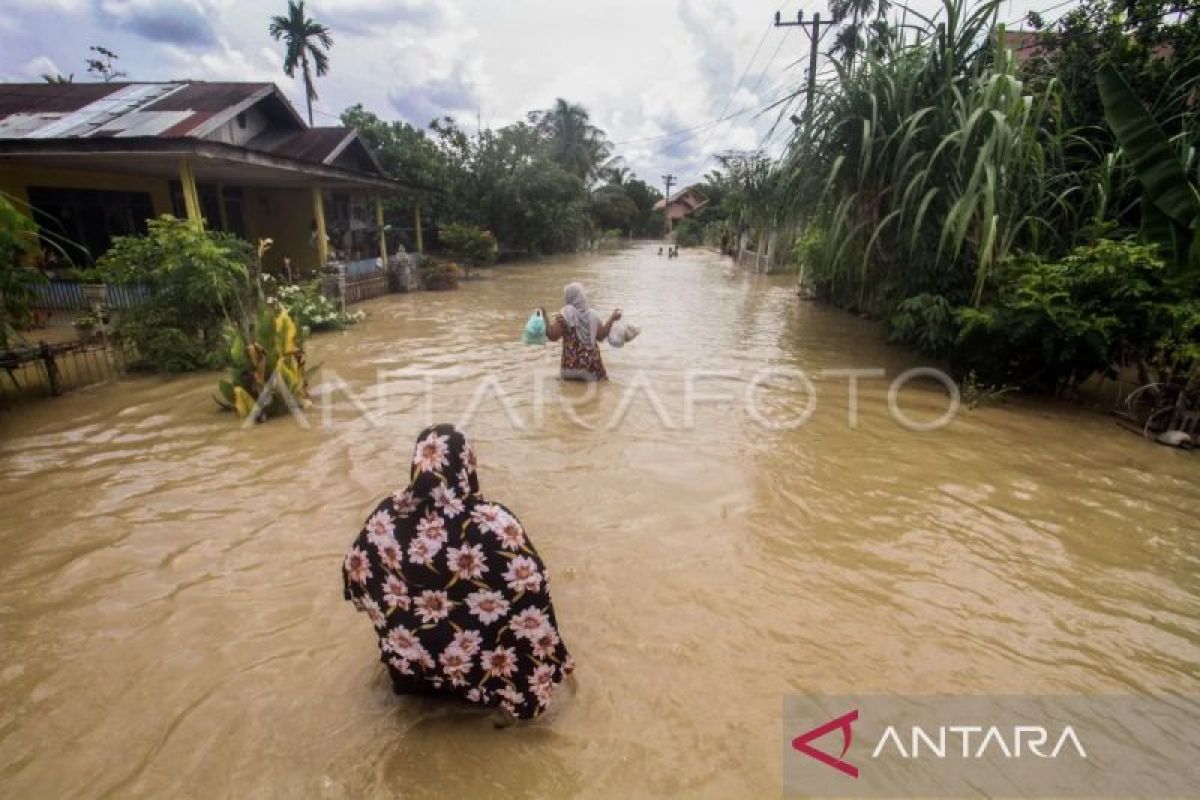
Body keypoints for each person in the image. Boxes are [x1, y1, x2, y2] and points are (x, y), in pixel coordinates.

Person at [343, 423, 574, 722]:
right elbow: (534, 588)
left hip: (414, 680)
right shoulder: (494, 524)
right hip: (483, 681)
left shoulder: (385, 518)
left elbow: (354, 579)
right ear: (466, 466)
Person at [547, 282, 621, 381]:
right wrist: (612, 318)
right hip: (593, 366)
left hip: (573, 367)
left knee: (571, 392)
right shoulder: (592, 314)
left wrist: (543, 319)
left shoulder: (566, 313)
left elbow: (553, 336)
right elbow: (601, 336)